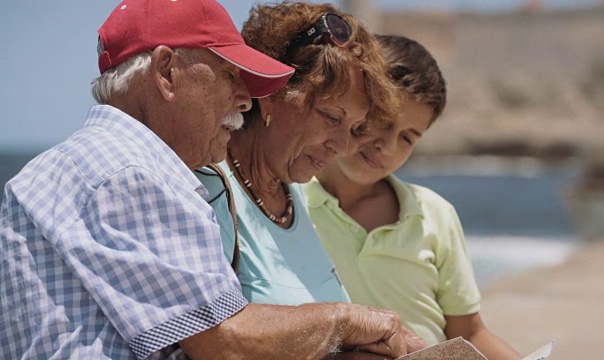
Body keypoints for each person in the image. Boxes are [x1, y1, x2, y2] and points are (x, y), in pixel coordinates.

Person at [0, 1, 412, 358]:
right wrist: (348, 321)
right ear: (166, 72)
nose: (245, 99)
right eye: (229, 76)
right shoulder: (132, 172)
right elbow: (225, 342)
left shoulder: (82, 163)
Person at [304, 35, 521, 359]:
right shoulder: (288, 205)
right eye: (380, 120)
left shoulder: (434, 213)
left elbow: (470, 331)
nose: (387, 146)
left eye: (407, 137)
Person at [194, 2, 400, 307]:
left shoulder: (297, 194)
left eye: (354, 127)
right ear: (272, 95)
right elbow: (215, 341)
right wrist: (351, 324)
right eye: (331, 117)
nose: (342, 146)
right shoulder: (205, 193)